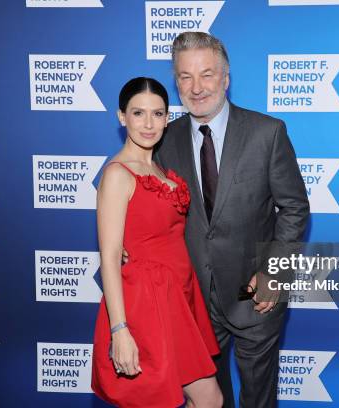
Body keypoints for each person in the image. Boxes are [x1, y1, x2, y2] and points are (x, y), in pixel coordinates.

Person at [154, 32, 310, 407]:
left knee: (257, 398)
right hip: (193, 301)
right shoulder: (163, 140)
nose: (196, 87)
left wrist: (274, 273)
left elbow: (294, 207)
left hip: (254, 293)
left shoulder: (266, 133)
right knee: (210, 398)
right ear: (176, 82)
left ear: (225, 78)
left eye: (207, 74)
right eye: (185, 77)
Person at [91, 77, 223, 408]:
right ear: (122, 117)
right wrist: (120, 330)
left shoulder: (162, 172)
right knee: (201, 399)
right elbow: (109, 258)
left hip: (179, 296)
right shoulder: (117, 174)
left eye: (158, 113)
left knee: (205, 399)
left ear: (167, 117)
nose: (149, 124)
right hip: (146, 303)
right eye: (138, 113)